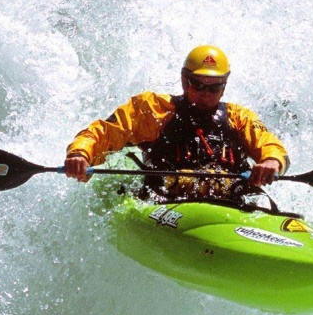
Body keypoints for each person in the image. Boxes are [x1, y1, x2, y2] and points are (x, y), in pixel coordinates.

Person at [64, 45, 289, 201]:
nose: (205, 94)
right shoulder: (153, 110)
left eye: (214, 87)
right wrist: (80, 155)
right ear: (184, 80)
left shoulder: (240, 117)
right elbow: (101, 133)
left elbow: (271, 146)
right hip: (165, 202)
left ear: (224, 85)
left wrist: (271, 162)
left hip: (232, 202)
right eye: (197, 85)